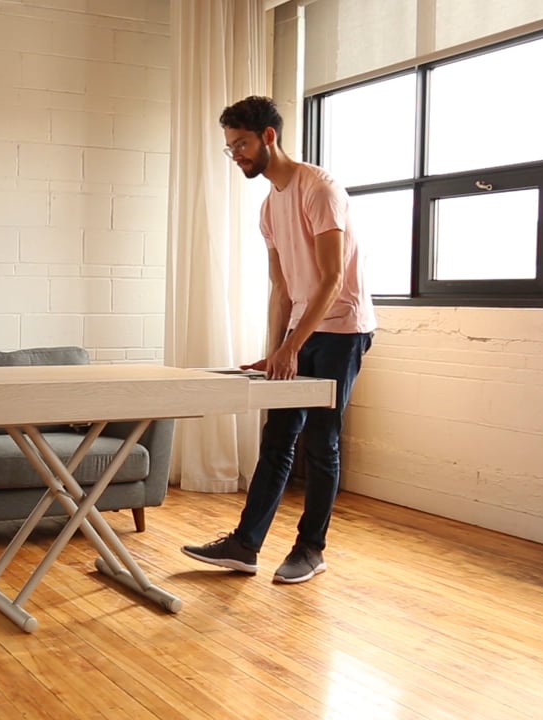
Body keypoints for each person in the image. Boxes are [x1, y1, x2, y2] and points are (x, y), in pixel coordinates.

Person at [182, 96, 376, 584]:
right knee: (278, 435)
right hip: (303, 329)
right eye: (231, 148)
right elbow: (283, 287)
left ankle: (311, 548)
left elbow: (331, 278)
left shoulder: (319, 190)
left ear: (269, 136)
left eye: (242, 144)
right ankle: (246, 546)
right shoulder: (270, 208)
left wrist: (293, 347)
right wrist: (277, 351)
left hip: (342, 330)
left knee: (321, 443)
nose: (237, 155)